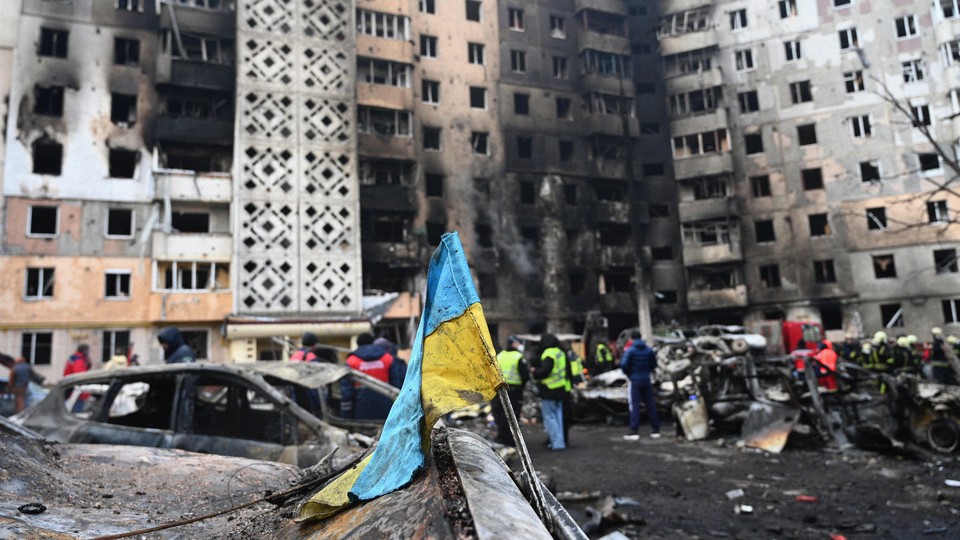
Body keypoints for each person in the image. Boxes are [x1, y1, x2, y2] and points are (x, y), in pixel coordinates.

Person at [341, 333, 405, 419]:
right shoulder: (387, 358)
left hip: (360, 412)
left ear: (358, 344)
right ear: (372, 342)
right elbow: (396, 385)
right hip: (386, 411)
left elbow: (346, 392)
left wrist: (346, 416)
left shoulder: (351, 361)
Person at [620, 331, 660, 440]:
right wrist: (647, 371)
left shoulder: (630, 351)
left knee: (635, 405)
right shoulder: (648, 350)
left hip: (635, 380)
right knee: (650, 403)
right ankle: (655, 430)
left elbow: (623, 365)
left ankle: (634, 430)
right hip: (647, 379)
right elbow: (654, 364)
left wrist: (629, 373)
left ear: (631, 339)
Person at [530, 333, 567, 450]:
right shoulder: (560, 352)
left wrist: (535, 371)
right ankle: (561, 442)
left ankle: (556, 444)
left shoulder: (548, 354)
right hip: (561, 389)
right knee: (558, 417)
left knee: (550, 418)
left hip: (549, 390)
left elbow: (545, 371)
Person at [491, 335, 527, 446]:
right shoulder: (518, 357)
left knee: (501, 414)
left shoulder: (500, 355)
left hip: (500, 389)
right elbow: (525, 376)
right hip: (515, 391)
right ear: (514, 344)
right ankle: (511, 440)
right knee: (512, 415)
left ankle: (501, 438)